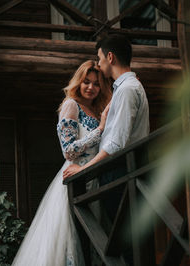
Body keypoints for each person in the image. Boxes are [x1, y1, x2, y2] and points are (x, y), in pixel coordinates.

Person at [12, 60, 112, 266]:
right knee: (70, 239)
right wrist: (99, 130)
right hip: (74, 178)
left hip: (93, 178)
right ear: (78, 82)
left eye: (96, 83)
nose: (91, 87)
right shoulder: (71, 105)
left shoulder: (96, 109)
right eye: (86, 82)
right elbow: (68, 150)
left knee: (93, 237)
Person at [63, 34, 150, 219]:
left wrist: (83, 170)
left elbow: (115, 145)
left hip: (119, 172)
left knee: (120, 236)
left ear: (110, 57)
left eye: (100, 59)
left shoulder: (127, 90)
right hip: (124, 170)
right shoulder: (126, 88)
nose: (100, 65)